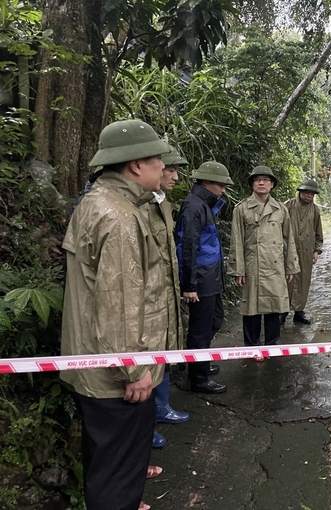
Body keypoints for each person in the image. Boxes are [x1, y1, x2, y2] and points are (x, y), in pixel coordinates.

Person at [61, 119, 169, 510]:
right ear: (136, 165)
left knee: (106, 462)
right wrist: (134, 367)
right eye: (158, 160)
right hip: (116, 376)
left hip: (93, 363)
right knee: (118, 474)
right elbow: (118, 302)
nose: (163, 168)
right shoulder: (120, 217)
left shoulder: (94, 202)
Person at [175, 161, 232, 394]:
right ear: (207, 182)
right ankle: (198, 379)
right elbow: (187, 246)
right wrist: (189, 284)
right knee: (200, 329)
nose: (223, 190)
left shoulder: (205, 205)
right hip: (200, 279)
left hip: (211, 277)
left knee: (215, 319)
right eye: (221, 185)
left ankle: (201, 363)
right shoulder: (193, 206)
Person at [227, 166, 300, 349]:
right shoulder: (242, 209)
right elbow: (237, 241)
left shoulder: (280, 209)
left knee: (274, 306)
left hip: (275, 265)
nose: (261, 183)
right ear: (252, 184)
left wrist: (290, 266)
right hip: (253, 264)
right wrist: (238, 269)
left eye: (266, 180)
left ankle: (272, 345)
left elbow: (289, 239)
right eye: (257, 179)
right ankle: (252, 346)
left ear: (272, 184)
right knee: (251, 307)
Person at [149, 145, 191, 447]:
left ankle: (161, 407)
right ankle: (143, 425)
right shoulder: (136, 205)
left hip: (164, 292)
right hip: (147, 298)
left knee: (162, 352)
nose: (175, 177)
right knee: (146, 358)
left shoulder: (163, 202)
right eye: (170, 170)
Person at [280, 178, 324, 325]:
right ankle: (283, 311)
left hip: (307, 251)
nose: (309, 196)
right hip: (288, 251)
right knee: (287, 280)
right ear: (300, 192)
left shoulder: (315, 210)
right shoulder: (288, 206)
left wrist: (316, 250)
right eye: (306, 192)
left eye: (312, 193)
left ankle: (299, 311)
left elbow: (318, 233)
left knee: (304, 281)